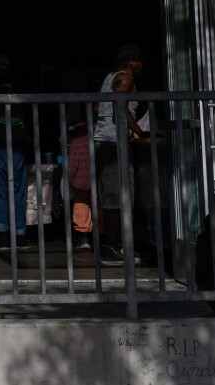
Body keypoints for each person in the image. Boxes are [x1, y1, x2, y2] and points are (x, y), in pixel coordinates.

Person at [93, 44, 147, 266]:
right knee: (119, 196)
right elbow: (120, 109)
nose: (141, 66)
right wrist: (139, 131)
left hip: (102, 140)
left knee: (112, 195)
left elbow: (98, 107)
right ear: (132, 62)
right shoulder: (126, 78)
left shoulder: (109, 77)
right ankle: (111, 247)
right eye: (140, 62)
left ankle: (116, 245)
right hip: (114, 142)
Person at [0, 53, 31, 252]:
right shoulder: (19, 87)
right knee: (18, 191)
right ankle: (20, 235)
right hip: (18, 146)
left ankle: (1, 236)